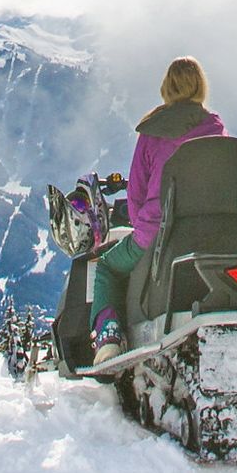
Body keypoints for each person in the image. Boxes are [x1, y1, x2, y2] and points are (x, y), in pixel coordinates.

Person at [92, 57, 223, 351]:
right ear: (201, 86)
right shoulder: (215, 129)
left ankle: (109, 338)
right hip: (211, 233)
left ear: (167, 88)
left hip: (158, 234)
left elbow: (137, 193)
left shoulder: (152, 132)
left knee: (107, 267)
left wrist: (142, 230)